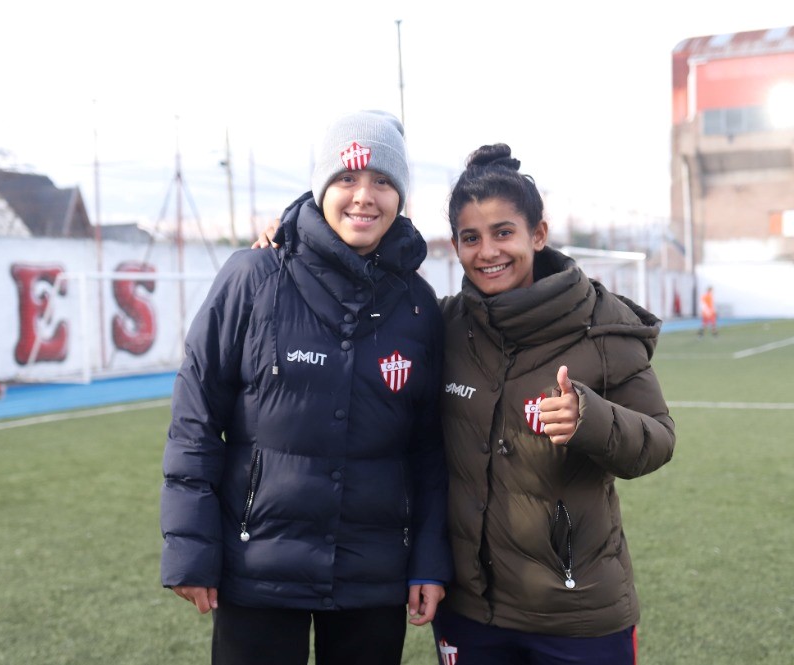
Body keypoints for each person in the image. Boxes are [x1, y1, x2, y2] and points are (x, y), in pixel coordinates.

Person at [159, 110, 451, 665]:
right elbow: (195, 420)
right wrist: (191, 550)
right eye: (347, 178)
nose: (364, 196)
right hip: (258, 571)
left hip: (373, 574)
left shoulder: (418, 304)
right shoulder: (252, 277)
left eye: (383, 182)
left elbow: (430, 449)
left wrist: (430, 559)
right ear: (321, 186)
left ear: (401, 196)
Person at [432, 144, 676, 664]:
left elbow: (659, 439)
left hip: (578, 613)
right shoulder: (446, 326)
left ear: (537, 235)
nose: (487, 252)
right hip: (470, 611)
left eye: (503, 232)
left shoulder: (601, 324)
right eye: (470, 238)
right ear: (455, 245)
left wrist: (591, 418)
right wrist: (289, 239)